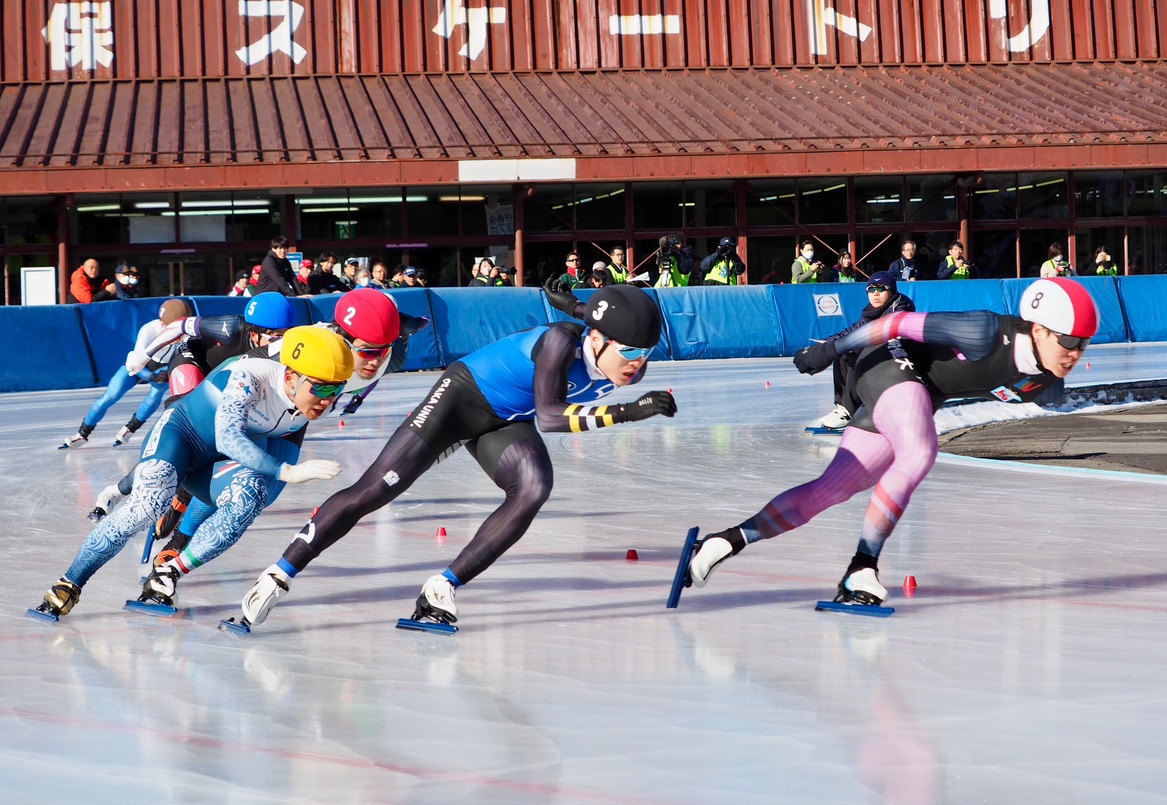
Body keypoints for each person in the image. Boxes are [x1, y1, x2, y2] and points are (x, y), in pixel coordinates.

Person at [231, 285, 678, 631]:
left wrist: (578, 306)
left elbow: (593, 330)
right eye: (630, 352)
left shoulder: (613, 354)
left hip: (505, 419)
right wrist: (628, 412)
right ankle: (277, 575)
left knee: (534, 488)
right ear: (596, 340)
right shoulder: (560, 343)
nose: (637, 364)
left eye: (646, 354)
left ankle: (441, 587)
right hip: (461, 398)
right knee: (373, 492)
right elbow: (551, 417)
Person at [684, 277, 1099, 610]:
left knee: (829, 490)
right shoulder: (984, 331)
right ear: (1039, 329)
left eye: (1084, 343)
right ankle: (861, 569)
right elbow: (895, 324)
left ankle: (724, 542)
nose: (1076, 353)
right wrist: (830, 351)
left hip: (916, 394)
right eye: (1069, 342)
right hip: (889, 361)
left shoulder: (1045, 381)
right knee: (919, 451)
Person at [30, 327, 355, 622]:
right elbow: (228, 438)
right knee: (148, 506)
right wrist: (286, 471)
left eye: (337, 391)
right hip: (181, 437)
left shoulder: (309, 399)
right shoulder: (250, 376)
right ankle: (69, 583)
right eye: (322, 389)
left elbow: (265, 489)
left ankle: (167, 574)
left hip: (214, 466)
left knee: (250, 496)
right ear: (291, 377)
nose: (328, 401)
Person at [85, 292, 299, 522]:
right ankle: (117, 491)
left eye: (287, 335)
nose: (282, 344)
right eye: (277, 337)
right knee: (191, 433)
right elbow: (180, 325)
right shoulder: (231, 327)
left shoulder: (285, 347)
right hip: (193, 361)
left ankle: (184, 493)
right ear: (254, 335)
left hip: (223, 377)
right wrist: (144, 356)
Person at [59, 298, 193, 450]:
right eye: (169, 327)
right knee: (110, 395)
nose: (175, 335)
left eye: (179, 329)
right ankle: (82, 433)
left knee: (156, 393)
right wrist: (152, 377)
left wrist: (169, 371)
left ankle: (130, 429)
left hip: (163, 367)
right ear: (161, 323)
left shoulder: (188, 334)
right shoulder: (149, 330)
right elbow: (137, 363)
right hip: (139, 364)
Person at [812, 271, 916, 431]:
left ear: (892, 291)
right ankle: (842, 408)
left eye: (881, 289)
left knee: (855, 353)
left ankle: (849, 411)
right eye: (871, 289)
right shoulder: (871, 313)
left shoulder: (901, 309)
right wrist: (828, 343)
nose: (875, 293)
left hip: (900, 364)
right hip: (882, 360)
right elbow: (851, 331)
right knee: (839, 352)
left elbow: (885, 335)